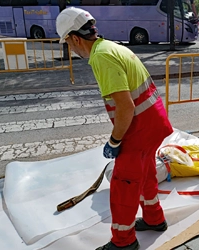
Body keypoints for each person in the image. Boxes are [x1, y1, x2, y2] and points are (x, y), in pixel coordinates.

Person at [56, 7, 173, 250]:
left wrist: (114, 141)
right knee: (147, 172)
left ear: (75, 38)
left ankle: (124, 242)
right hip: (153, 122)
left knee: (123, 183)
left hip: (138, 127)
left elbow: (125, 107)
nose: (70, 48)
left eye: (67, 43)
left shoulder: (101, 57)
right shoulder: (111, 47)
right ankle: (154, 219)